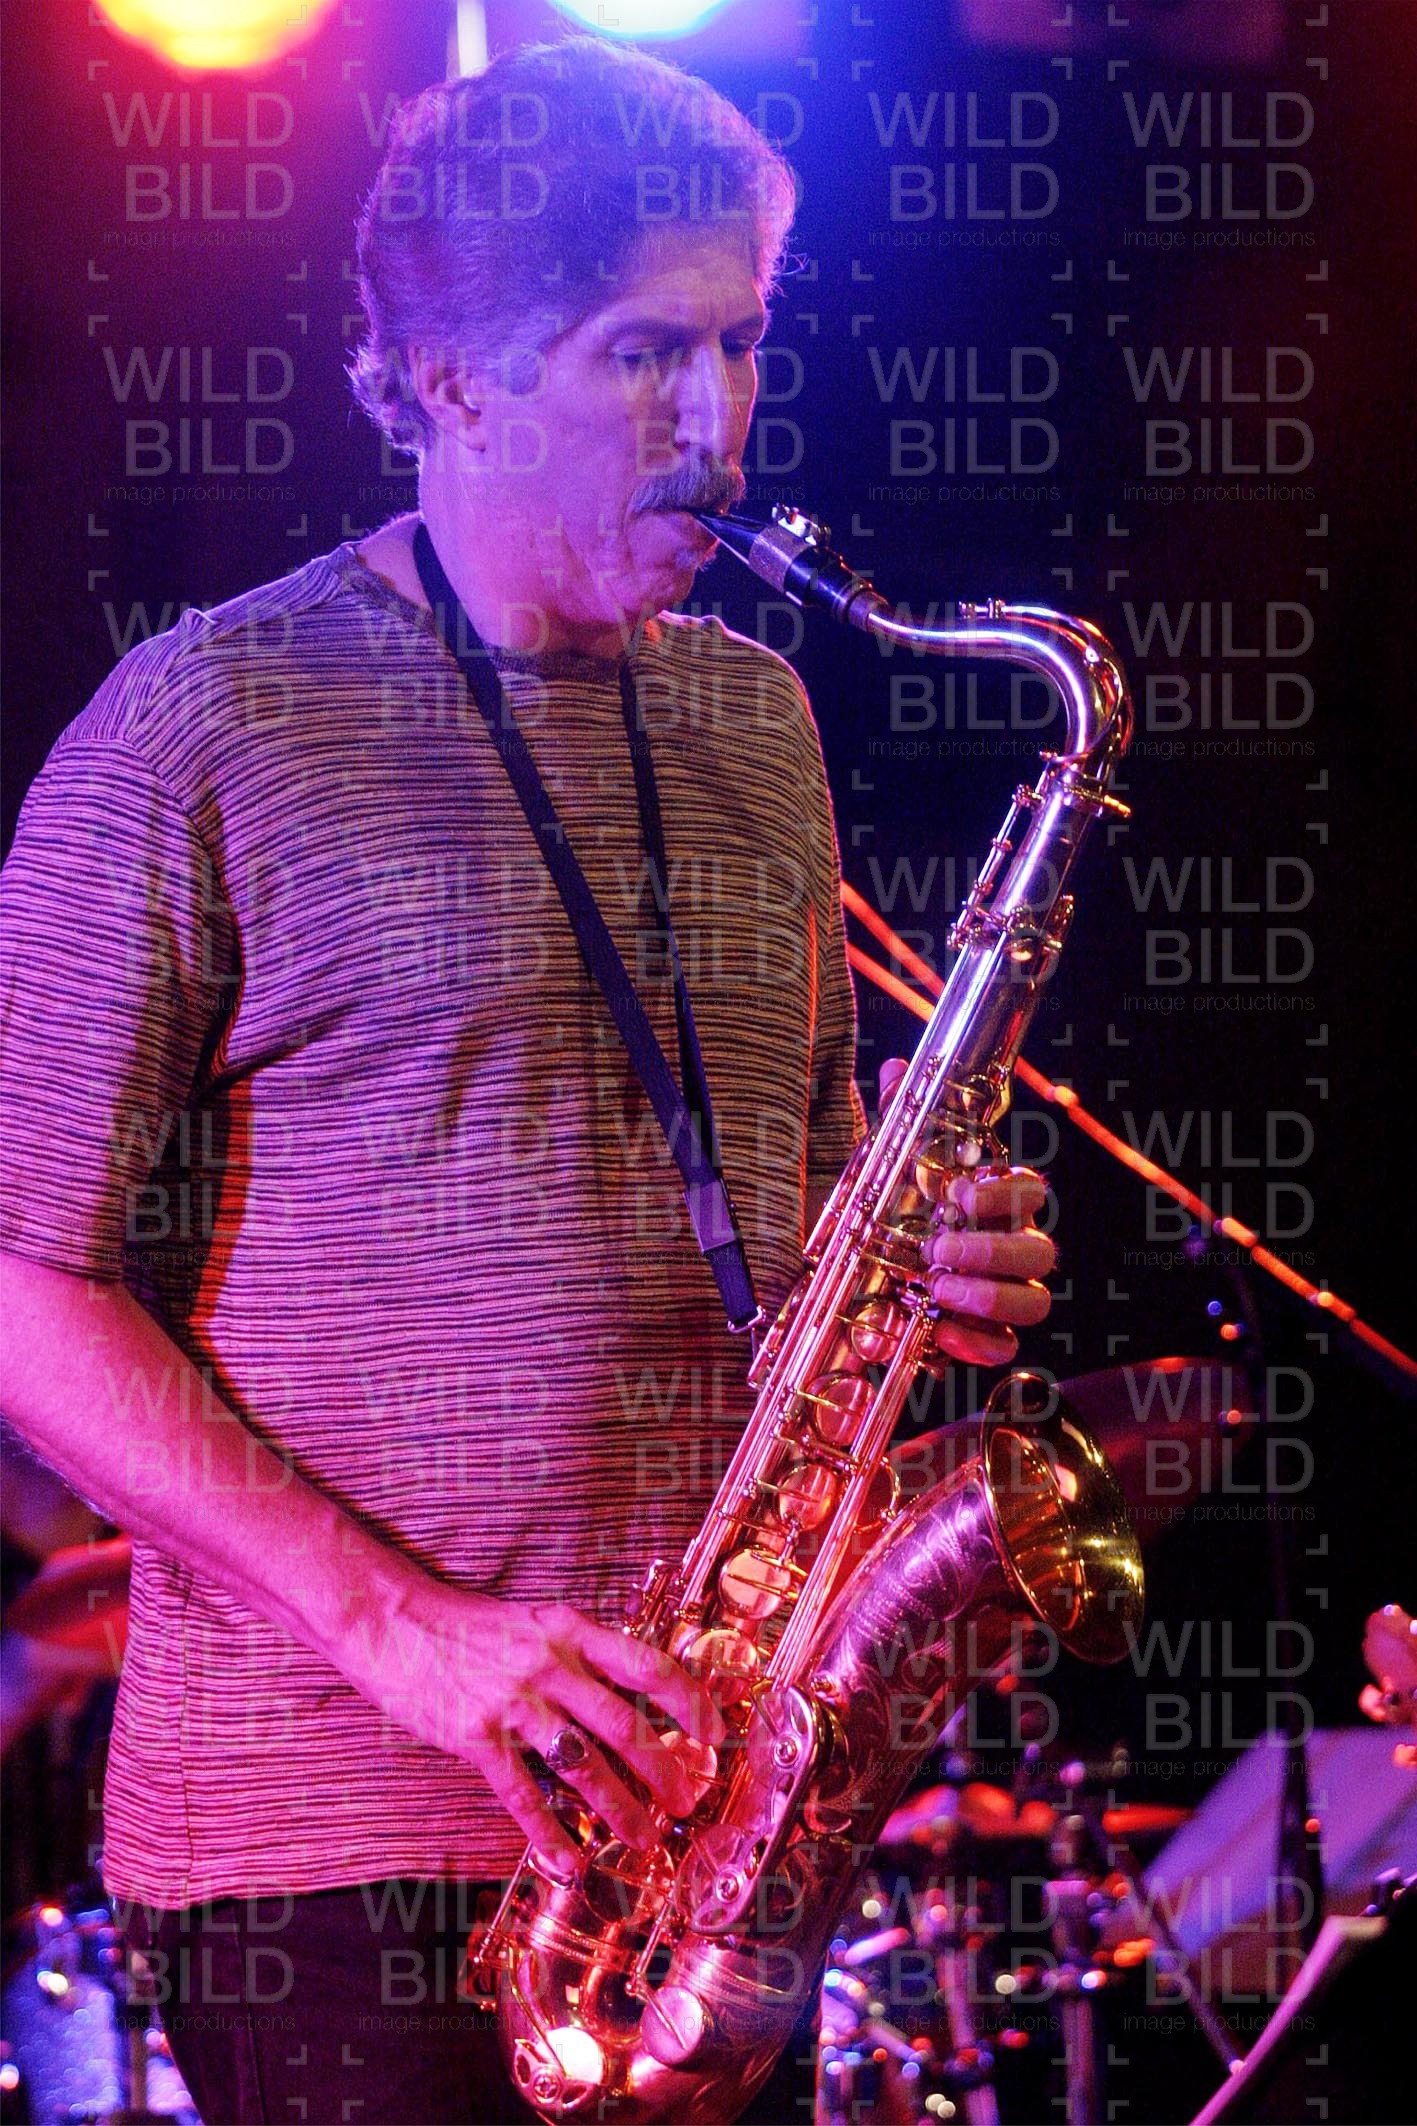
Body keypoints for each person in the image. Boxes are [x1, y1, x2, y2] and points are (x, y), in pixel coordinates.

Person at [0, 36, 1056, 2125]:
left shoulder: (757, 725)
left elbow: (796, 1200)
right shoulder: (201, 722)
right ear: (451, 381)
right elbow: (24, 1290)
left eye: (739, 343)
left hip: (704, 1842)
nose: (716, 419)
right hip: (335, 1846)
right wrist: (406, 1630)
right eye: (641, 354)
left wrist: (917, 1259)